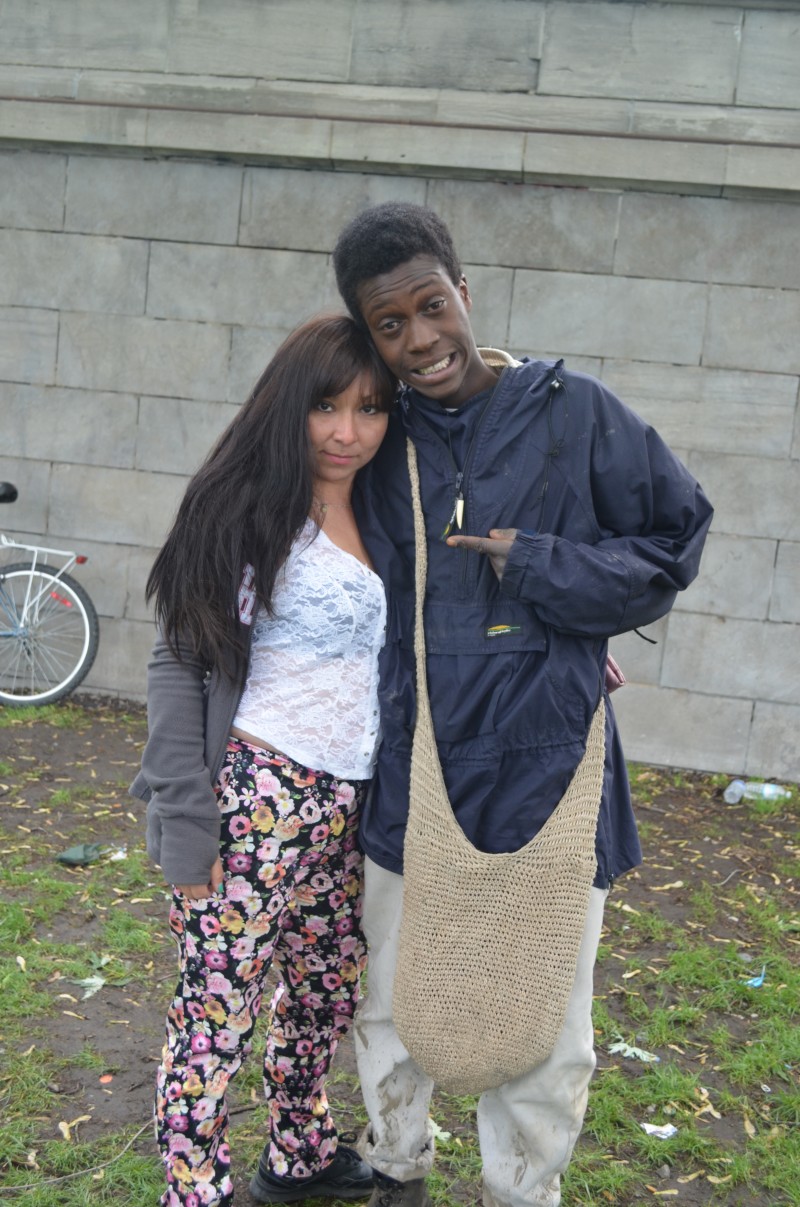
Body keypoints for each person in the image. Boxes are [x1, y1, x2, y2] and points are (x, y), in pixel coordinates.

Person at [331, 202, 714, 1207]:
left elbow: (673, 541)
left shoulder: (572, 412)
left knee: (548, 1019)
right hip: (413, 761)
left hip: (550, 764)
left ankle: (520, 1190)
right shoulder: (374, 439)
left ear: (463, 290)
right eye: (390, 324)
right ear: (369, 335)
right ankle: (396, 1166)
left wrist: (543, 568)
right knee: (390, 998)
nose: (421, 338)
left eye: (431, 305)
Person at [130, 314, 397, 1207]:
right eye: (327, 405)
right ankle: (194, 1188)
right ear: (290, 402)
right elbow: (180, 658)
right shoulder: (246, 506)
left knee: (324, 992)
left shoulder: (389, 508)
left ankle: (298, 1149)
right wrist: (185, 814)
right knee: (219, 1006)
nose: (347, 431)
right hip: (256, 793)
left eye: (370, 408)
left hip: (351, 801)